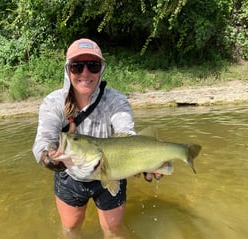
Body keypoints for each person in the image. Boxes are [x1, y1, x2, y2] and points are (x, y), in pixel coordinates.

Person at [32, 38, 162, 238]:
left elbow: (126, 133)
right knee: (71, 228)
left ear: (101, 70)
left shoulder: (116, 100)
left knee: (114, 230)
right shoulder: (53, 102)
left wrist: (144, 160)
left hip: (110, 172)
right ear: (68, 71)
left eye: (92, 66)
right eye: (77, 66)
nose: (85, 73)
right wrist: (51, 159)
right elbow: (43, 141)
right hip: (71, 176)